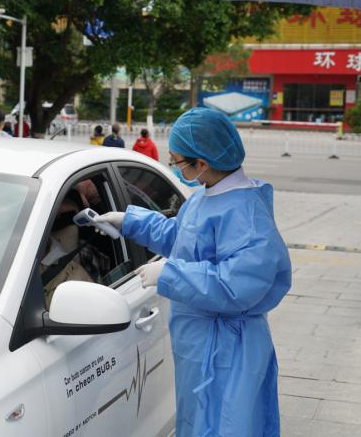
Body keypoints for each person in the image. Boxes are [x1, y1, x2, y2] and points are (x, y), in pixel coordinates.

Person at [95, 108, 291, 437]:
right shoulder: (206, 197)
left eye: (177, 162)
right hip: (201, 343)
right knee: (198, 421)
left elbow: (236, 285)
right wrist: (129, 221)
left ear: (201, 163)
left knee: (227, 425)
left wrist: (170, 274)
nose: (175, 167)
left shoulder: (248, 215)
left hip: (229, 349)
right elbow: (182, 237)